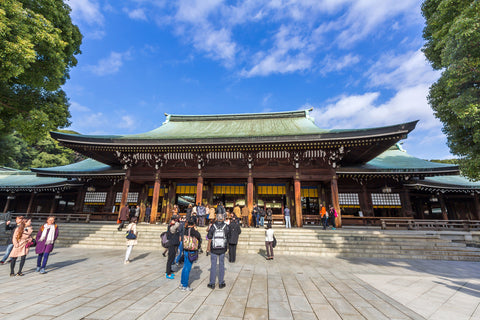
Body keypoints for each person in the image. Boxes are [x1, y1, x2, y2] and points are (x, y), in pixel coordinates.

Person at [206, 213, 230, 289]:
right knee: (221, 265)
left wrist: (208, 248)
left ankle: (212, 283)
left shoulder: (213, 226)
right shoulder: (226, 227)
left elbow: (209, 237)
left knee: (213, 265)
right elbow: (228, 236)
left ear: (216, 218)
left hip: (214, 248)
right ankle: (221, 282)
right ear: (223, 218)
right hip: (223, 248)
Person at [179, 218, 202, 291]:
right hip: (191, 249)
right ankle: (185, 285)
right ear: (194, 224)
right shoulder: (192, 230)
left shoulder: (185, 229)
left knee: (185, 267)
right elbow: (198, 236)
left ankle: (182, 283)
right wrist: (196, 230)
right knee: (187, 268)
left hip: (185, 249)